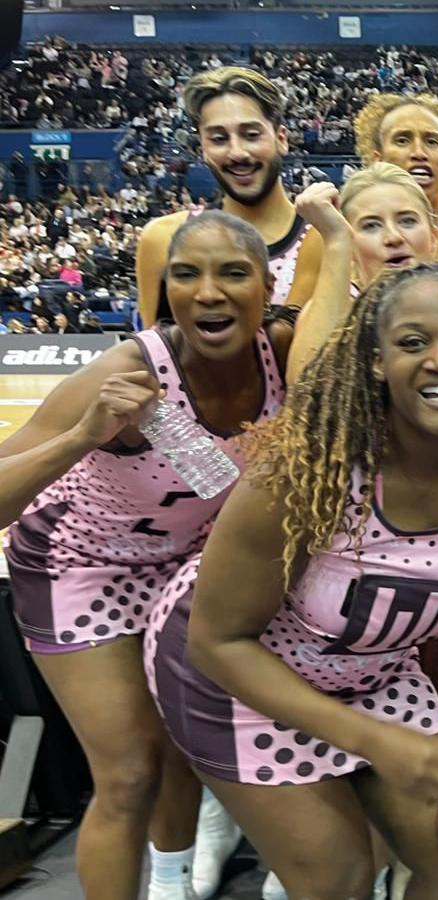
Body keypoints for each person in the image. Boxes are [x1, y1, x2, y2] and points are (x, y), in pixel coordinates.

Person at [144, 263, 438, 899]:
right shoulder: (308, 464)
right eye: (413, 343)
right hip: (231, 673)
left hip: (369, 673)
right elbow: (217, 640)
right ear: (375, 362)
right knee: (338, 877)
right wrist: (377, 744)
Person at [0, 211, 292, 900]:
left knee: (182, 749)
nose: (209, 291)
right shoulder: (129, 368)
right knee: (129, 774)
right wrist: (82, 435)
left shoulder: (285, 348)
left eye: (232, 273)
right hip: (78, 563)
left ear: (267, 285)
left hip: (183, 563)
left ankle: (169, 886)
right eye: (187, 275)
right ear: (167, 291)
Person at [137, 67, 323, 326]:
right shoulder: (163, 239)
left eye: (251, 135)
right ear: (203, 147)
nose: (237, 152)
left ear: (282, 138)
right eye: (219, 138)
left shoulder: (327, 238)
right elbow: (154, 357)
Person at [354, 92, 438, 236]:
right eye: (402, 141)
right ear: (377, 161)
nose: (419, 153)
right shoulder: (338, 247)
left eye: (432, 142)